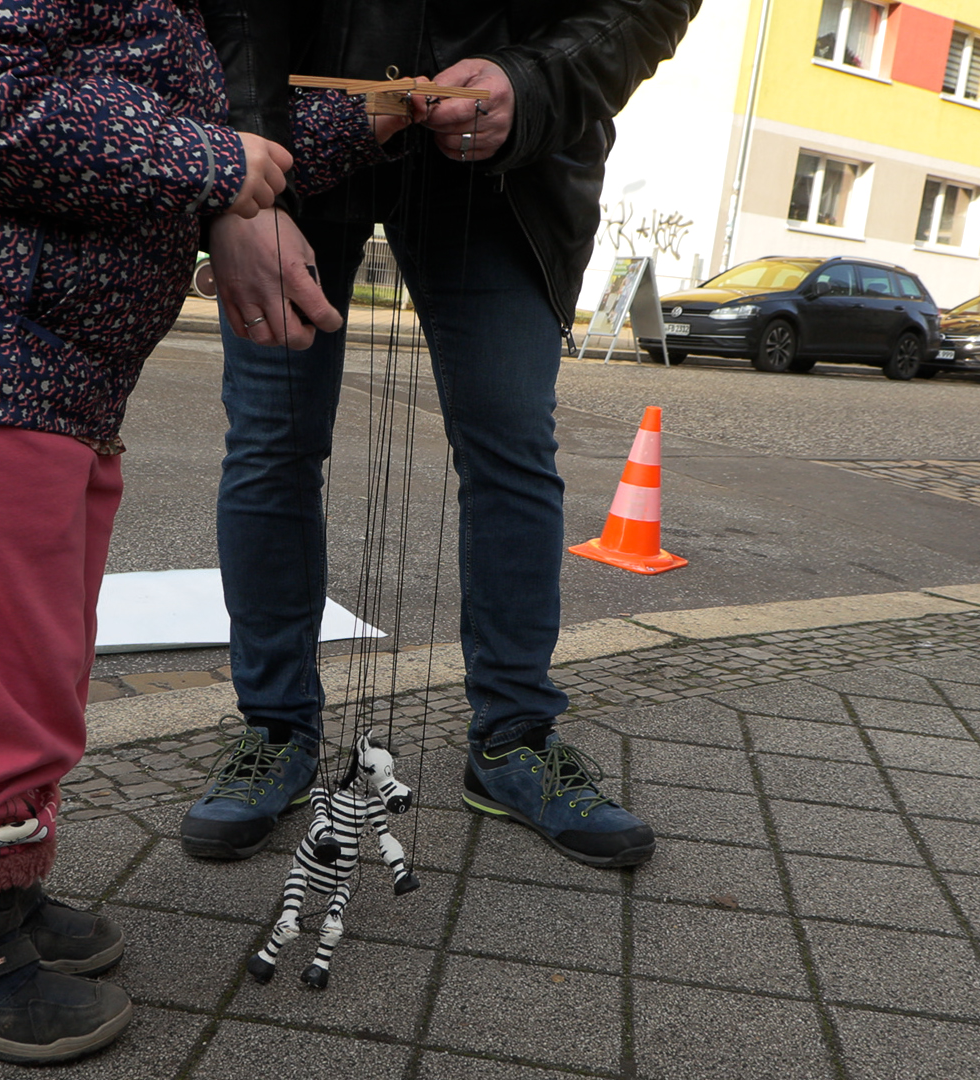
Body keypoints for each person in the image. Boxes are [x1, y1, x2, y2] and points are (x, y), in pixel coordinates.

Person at [0, 0, 298, 1064]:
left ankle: (0, 892)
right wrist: (214, 159)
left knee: (35, 678)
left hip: (42, 383)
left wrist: (378, 119)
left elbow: (207, 138)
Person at [180, 0, 699, 871]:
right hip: (293, 141)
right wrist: (238, 172)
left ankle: (512, 741)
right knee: (271, 443)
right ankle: (276, 733)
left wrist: (529, 83)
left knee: (512, 449)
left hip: (508, 170)